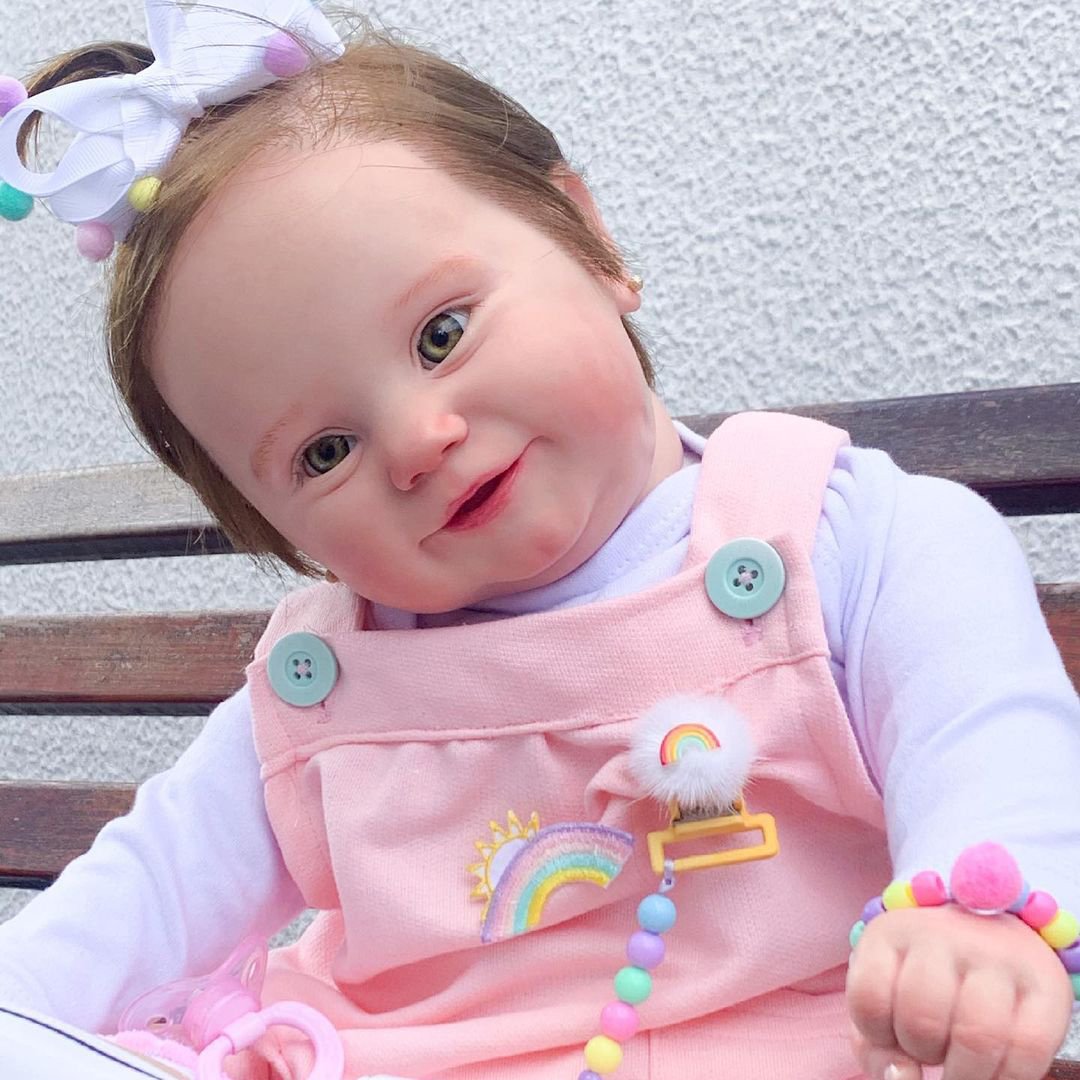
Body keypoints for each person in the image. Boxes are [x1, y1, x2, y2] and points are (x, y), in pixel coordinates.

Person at [0, 3, 1078, 1078]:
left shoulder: (844, 539)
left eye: (442, 334)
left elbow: (989, 736)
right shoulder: (324, 690)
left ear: (586, 234)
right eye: (324, 453)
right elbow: (142, 892)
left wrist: (973, 920)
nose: (417, 441)